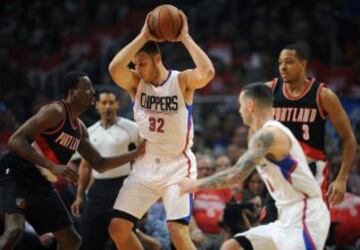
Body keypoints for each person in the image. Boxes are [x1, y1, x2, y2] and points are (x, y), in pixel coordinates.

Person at [0, 71, 145, 250]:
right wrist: (52, 166)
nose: (92, 91)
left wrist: (135, 153)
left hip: (41, 183)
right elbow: (15, 140)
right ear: (71, 93)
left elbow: (99, 164)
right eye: (87, 87)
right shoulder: (55, 111)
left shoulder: (80, 129)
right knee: (14, 230)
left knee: (72, 241)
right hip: (17, 173)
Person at [107, 9, 215, 250]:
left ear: (158, 59)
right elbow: (115, 68)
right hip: (145, 165)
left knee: (177, 231)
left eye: (142, 64)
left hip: (177, 165)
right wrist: (144, 35)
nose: (139, 70)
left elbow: (207, 72)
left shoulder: (181, 81)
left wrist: (185, 37)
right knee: (117, 228)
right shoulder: (136, 84)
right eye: (136, 65)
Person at [178, 83, 330, 250]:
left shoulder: (270, 135)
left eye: (240, 105)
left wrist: (194, 185)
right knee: (231, 246)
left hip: (306, 215)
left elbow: (236, 175)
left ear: (250, 105)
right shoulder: (257, 134)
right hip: (285, 216)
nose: (239, 110)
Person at [266, 41, 357, 206]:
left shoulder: (323, 95)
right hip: (280, 174)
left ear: (303, 64)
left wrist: (342, 178)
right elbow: (245, 100)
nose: (283, 67)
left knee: (310, 230)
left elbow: (349, 139)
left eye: (289, 61)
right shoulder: (270, 90)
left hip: (311, 172)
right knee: (269, 229)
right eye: (280, 62)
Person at [70, 87, 139, 250]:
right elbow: (85, 166)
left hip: (124, 187)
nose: (107, 106)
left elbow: (143, 157)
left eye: (111, 103)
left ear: (118, 105)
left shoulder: (132, 128)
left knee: (123, 238)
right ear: (97, 105)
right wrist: (79, 196)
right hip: (97, 190)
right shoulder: (89, 131)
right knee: (89, 239)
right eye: (104, 103)